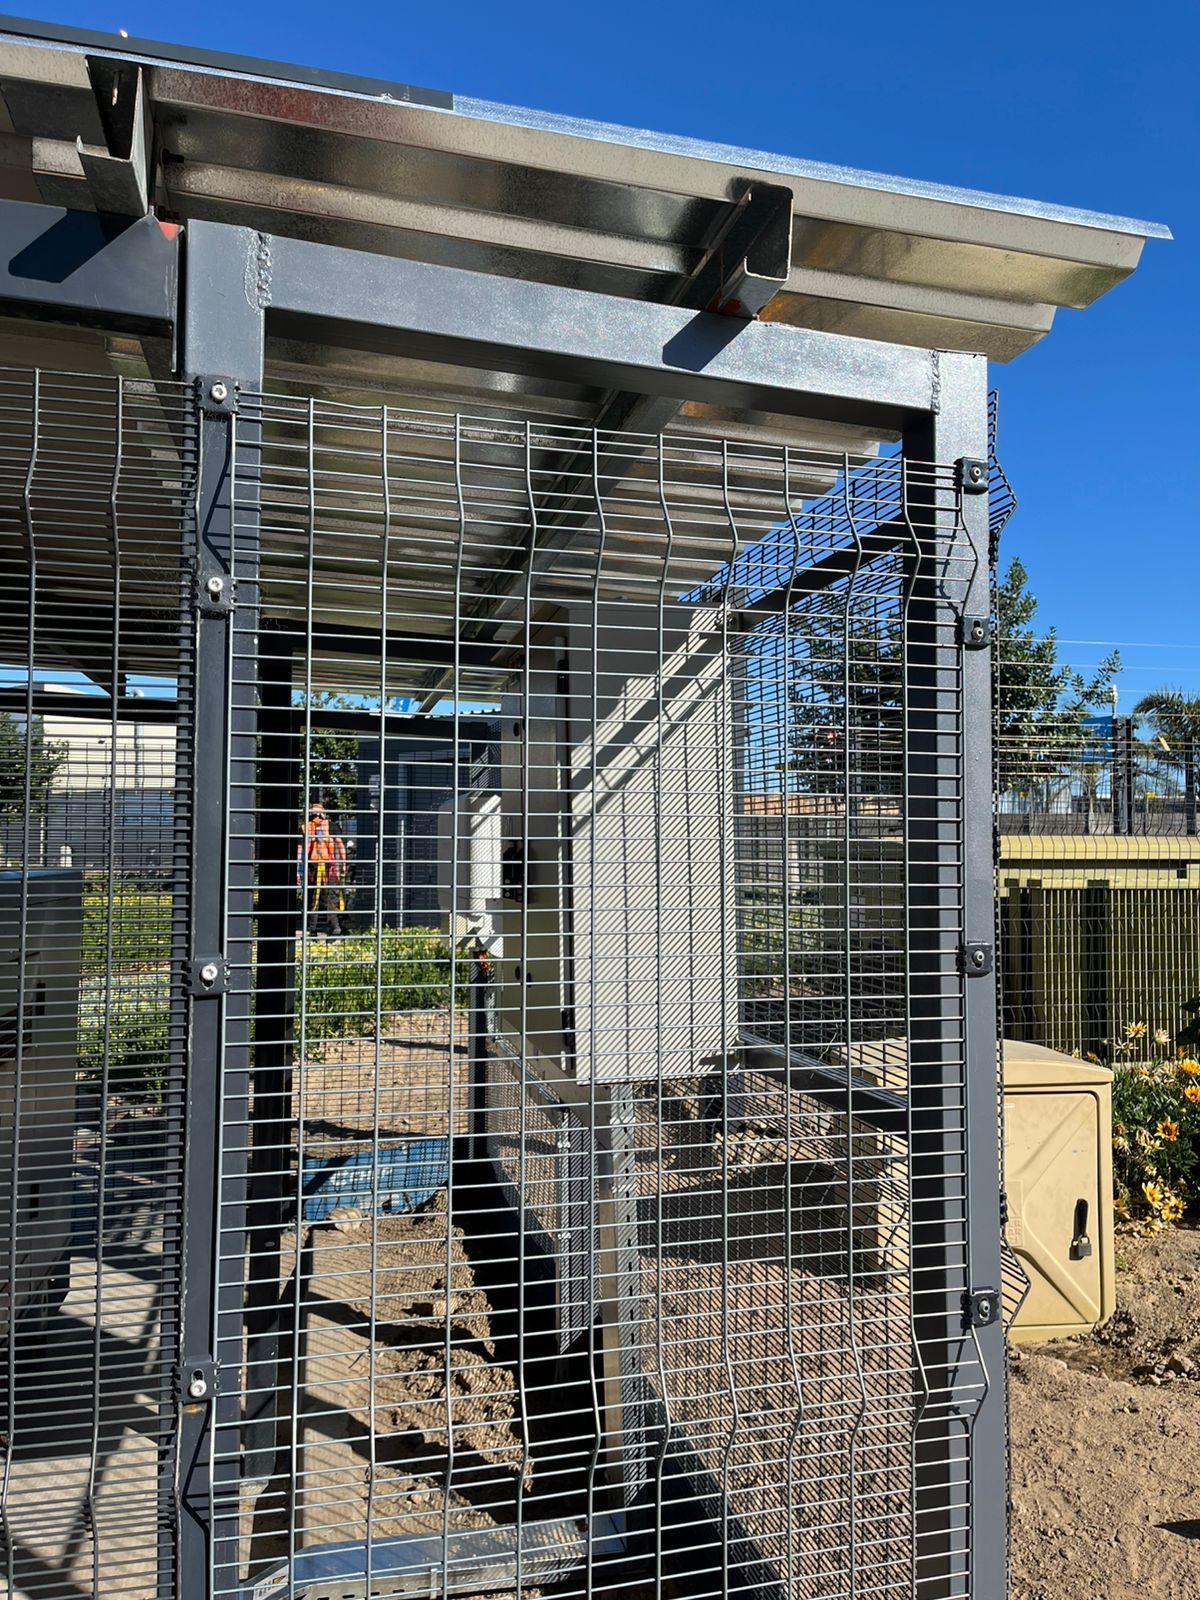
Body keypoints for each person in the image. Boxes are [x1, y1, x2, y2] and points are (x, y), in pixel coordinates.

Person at [298, 801, 346, 936]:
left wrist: (297, 869)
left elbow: (299, 849)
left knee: (313, 897)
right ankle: (334, 926)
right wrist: (343, 864)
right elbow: (340, 845)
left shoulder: (304, 827)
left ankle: (313, 930)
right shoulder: (330, 826)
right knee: (330, 895)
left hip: (312, 867)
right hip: (327, 866)